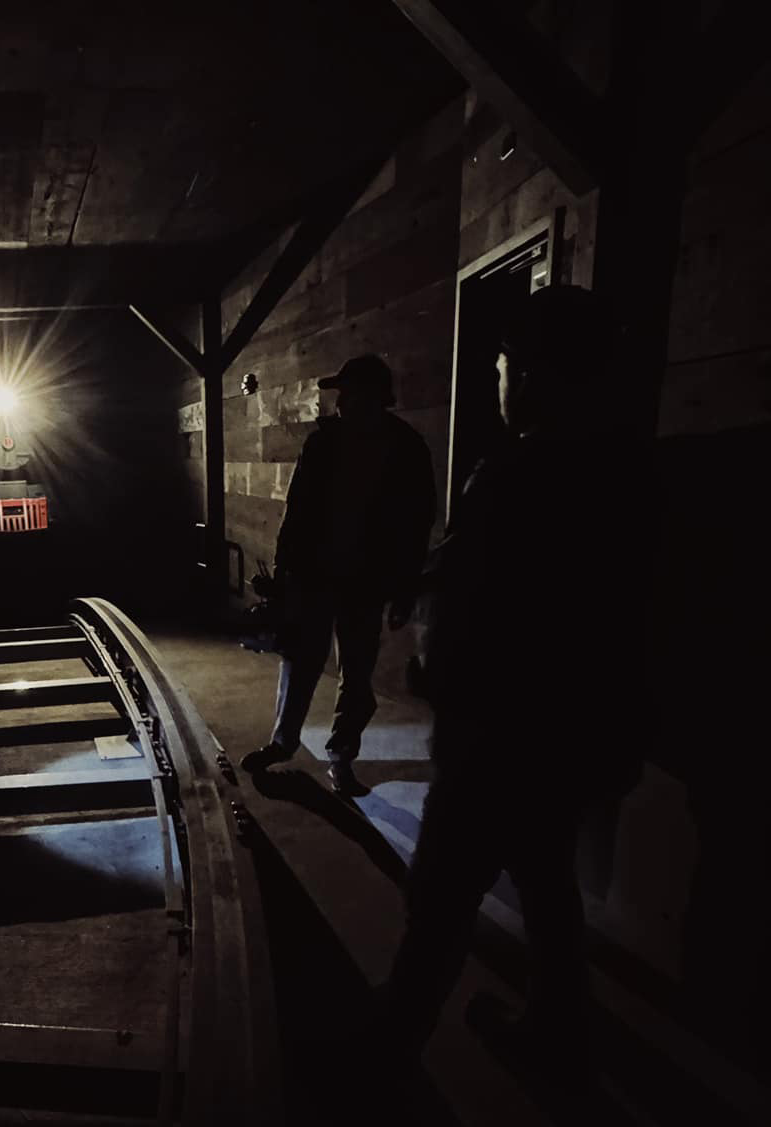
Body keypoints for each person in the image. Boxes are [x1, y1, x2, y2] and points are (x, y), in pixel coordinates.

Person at [380, 285, 649, 1077]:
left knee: (440, 896)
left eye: (502, 364)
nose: (498, 378)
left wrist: (435, 674)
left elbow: (480, 608)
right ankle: (557, 1028)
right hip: (578, 730)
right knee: (548, 881)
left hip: (498, 736)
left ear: (529, 373)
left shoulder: (515, 476)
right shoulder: (626, 470)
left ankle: (387, 1050)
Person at [243, 354, 436, 796]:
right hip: (316, 574)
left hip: (365, 580)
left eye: (348, 394)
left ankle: (341, 757)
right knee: (300, 661)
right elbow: (298, 509)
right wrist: (283, 568)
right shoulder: (324, 442)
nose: (341, 402)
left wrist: (404, 586)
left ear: (372, 397)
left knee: (357, 673)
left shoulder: (405, 448)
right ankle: (283, 743)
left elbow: (416, 521)